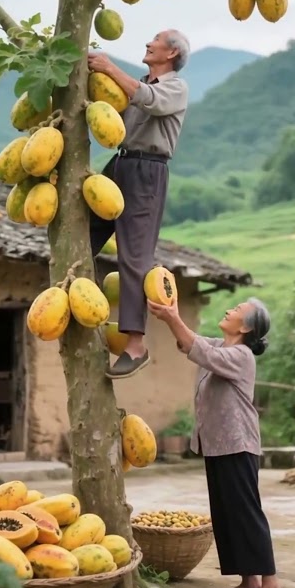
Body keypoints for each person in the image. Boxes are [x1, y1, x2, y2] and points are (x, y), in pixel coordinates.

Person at [146, 296, 285, 588]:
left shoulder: (242, 355)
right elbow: (190, 343)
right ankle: (249, 581)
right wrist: (172, 315)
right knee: (227, 514)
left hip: (238, 444)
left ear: (246, 327)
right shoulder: (221, 348)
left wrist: (172, 318)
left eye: (236, 310)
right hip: (218, 445)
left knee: (246, 514)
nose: (229, 310)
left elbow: (199, 349)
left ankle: (271, 585)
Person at [87, 29, 191, 379]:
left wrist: (109, 67)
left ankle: (136, 344)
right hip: (119, 163)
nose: (148, 43)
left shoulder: (175, 86)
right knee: (83, 232)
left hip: (148, 170)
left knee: (134, 255)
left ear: (172, 52)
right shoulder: (137, 83)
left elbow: (150, 99)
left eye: (156, 40)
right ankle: (75, 296)